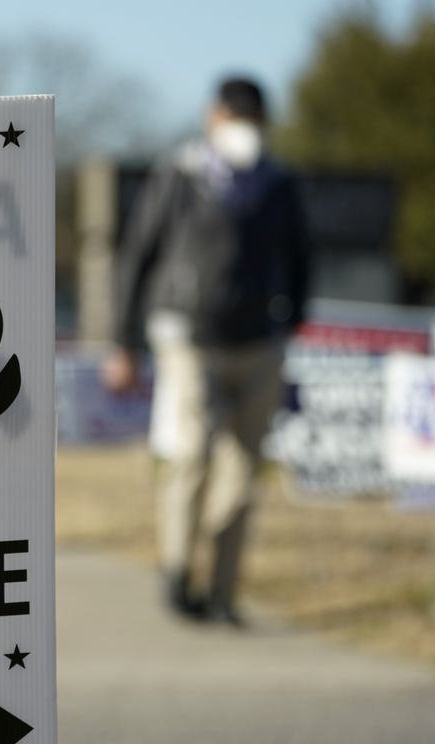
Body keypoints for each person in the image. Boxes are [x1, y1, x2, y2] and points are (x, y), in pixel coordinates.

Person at [103, 75, 310, 625]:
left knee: (244, 472)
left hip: (259, 342)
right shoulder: (181, 173)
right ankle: (176, 569)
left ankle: (222, 591)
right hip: (190, 337)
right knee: (193, 452)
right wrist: (122, 342)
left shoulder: (278, 183)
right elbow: (137, 255)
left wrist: (290, 321)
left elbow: (300, 257)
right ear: (213, 116)